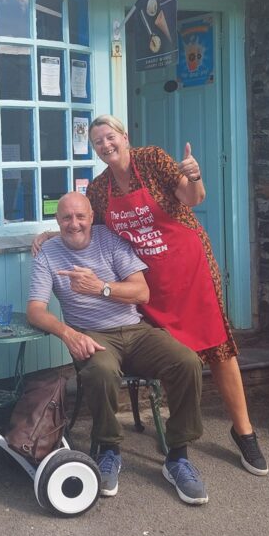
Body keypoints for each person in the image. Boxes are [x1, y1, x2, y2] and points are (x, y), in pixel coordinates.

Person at [35, 114, 267, 476]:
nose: (106, 145)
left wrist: (194, 176)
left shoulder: (152, 159)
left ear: (124, 137)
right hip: (146, 284)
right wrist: (51, 235)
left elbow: (192, 198)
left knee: (218, 348)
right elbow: (83, 227)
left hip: (191, 272)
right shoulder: (98, 189)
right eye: (98, 142)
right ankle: (172, 440)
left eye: (110, 137)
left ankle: (244, 432)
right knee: (170, 355)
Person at [27, 192, 209, 505]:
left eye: (81, 216)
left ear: (91, 217)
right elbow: (35, 310)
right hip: (92, 334)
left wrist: (100, 286)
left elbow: (142, 292)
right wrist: (67, 333)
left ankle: (178, 457)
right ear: (57, 221)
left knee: (187, 362)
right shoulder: (48, 254)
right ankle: (109, 450)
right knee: (100, 370)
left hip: (136, 331)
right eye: (67, 218)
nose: (75, 224)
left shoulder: (109, 240)